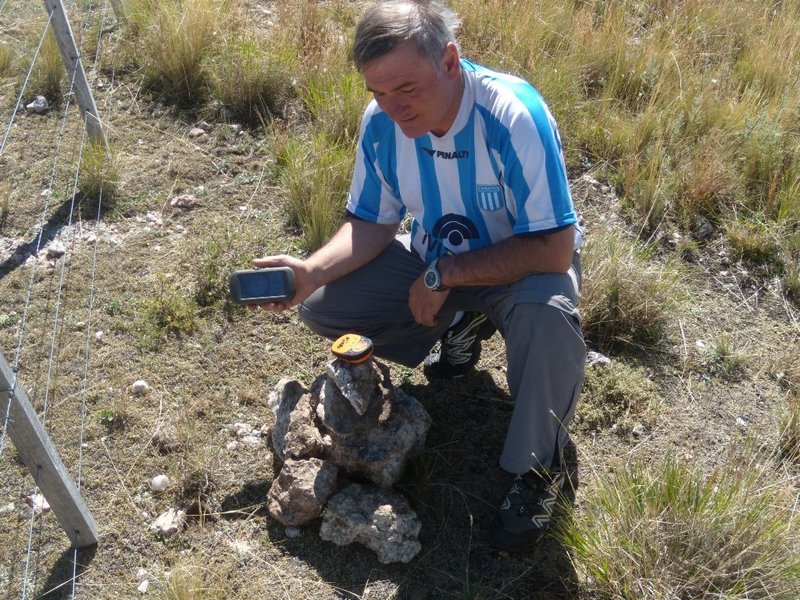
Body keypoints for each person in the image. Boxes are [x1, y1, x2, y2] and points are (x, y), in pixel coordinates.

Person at [254, 0, 585, 553]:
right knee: (324, 303)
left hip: (523, 267)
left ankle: (538, 472)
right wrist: (310, 270)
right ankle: (459, 325)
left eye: (405, 88)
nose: (392, 106)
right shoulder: (383, 123)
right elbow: (371, 222)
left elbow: (554, 248)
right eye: (377, 92)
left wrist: (444, 274)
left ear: (450, 61)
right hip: (436, 266)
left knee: (548, 317)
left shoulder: (510, 115)